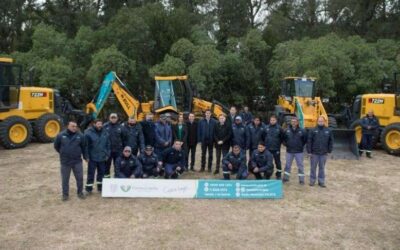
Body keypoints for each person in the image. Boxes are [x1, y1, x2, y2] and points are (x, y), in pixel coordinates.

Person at [54, 120, 86, 201]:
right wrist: (63, 153)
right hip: (65, 162)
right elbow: (56, 146)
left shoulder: (80, 136)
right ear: (68, 126)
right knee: (65, 179)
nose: (74, 128)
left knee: (80, 178)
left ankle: (80, 193)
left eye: (75, 126)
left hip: (77, 161)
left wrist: (86, 157)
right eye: (72, 126)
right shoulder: (61, 135)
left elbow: (84, 147)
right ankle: (65, 195)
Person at [84, 119, 111, 193]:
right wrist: (86, 157)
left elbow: (108, 145)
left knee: (101, 173)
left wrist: (107, 154)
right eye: (98, 124)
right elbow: (86, 146)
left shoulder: (105, 132)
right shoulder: (88, 133)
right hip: (92, 158)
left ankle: (100, 188)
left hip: (102, 157)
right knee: (91, 173)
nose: (99, 125)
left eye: (101, 124)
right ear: (94, 124)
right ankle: (89, 189)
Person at [307, 116, 334, 188]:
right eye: (319, 121)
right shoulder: (313, 130)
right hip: (314, 153)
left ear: (324, 122)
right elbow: (309, 141)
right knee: (313, 167)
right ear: (317, 122)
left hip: (323, 153)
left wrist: (329, 150)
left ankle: (321, 181)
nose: (320, 122)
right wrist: (309, 151)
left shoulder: (328, 130)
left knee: (322, 168)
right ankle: (312, 181)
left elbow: (331, 141)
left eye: (322, 121)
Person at [282, 117, 308, 185]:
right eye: (292, 121)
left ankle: (301, 180)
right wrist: (287, 144)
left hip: (299, 152)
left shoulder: (302, 131)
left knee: (300, 166)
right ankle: (286, 178)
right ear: (291, 122)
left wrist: (300, 145)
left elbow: (305, 140)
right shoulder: (286, 130)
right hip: (289, 151)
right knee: (287, 165)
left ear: (297, 122)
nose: (293, 123)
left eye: (295, 121)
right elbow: (283, 139)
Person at [103, 113, 126, 178]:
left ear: (117, 118)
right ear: (109, 118)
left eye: (114, 118)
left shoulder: (121, 127)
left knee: (118, 166)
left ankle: (117, 179)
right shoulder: (105, 126)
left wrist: (123, 149)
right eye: (112, 118)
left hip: (118, 150)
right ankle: (107, 180)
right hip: (108, 150)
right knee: (106, 166)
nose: (113, 119)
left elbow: (124, 138)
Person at [264, 115, 284, 179]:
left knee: (277, 162)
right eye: (271, 120)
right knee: (268, 162)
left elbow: (282, 138)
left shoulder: (279, 128)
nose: (272, 121)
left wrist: (278, 144)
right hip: (267, 148)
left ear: (276, 121)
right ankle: (267, 174)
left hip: (276, 148)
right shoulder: (266, 127)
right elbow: (263, 137)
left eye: (273, 120)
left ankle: (278, 174)